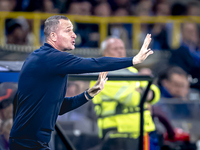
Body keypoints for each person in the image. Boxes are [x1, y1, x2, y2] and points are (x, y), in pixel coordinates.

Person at [9, 15, 153, 149]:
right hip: (28, 142)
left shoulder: (46, 59)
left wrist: (88, 94)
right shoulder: (51, 58)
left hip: (30, 140)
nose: (74, 35)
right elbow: (94, 63)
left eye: (73, 30)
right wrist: (133, 60)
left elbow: (59, 107)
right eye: (68, 31)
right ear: (53, 36)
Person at [90, 37, 160, 150]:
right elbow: (132, 99)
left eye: (122, 48)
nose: (120, 51)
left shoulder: (132, 71)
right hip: (118, 134)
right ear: (104, 53)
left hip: (145, 131)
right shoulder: (102, 75)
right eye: (115, 48)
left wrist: (141, 90)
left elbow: (155, 94)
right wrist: (142, 87)